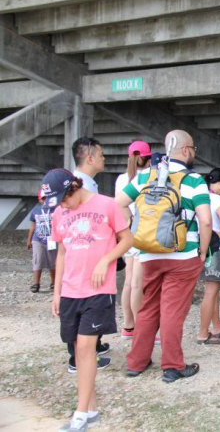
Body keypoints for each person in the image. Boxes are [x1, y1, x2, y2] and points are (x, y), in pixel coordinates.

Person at [116, 130, 212, 383]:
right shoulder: (193, 180)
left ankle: (136, 362)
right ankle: (172, 365)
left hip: (149, 253)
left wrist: (132, 225)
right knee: (173, 311)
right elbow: (205, 220)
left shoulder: (145, 176)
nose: (193, 153)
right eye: (192, 148)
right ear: (184, 150)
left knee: (148, 307)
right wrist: (202, 251)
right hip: (183, 255)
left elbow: (118, 203)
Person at [46, 169, 132, 432]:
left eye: (64, 198)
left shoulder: (107, 205)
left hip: (98, 289)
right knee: (79, 352)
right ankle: (91, 410)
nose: (62, 204)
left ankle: (80, 414)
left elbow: (127, 239)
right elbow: (61, 252)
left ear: (74, 186)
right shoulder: (59, 213)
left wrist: (106, 260)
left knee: (86, 349)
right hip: (70, 290)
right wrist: (57, 291)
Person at [68, 137, 109, 373]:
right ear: (90, 158)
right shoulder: (77, 186)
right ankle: (79, 358)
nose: (104, 158)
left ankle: (93, 345)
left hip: (90, 253)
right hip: (82, 255)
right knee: (82, 304)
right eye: (101, 154)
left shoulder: (88, 183)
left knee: (93, 303)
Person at [114, 141, 151, 341]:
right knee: (138, 284)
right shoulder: (146, 178)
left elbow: (118, 204)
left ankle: (128, 326)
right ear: (148, 158)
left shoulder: (121, 179)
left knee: (128, 282)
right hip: (142, 232)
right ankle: (141, 329)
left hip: (125, 233)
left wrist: (127, 221)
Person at [197, 168, 220, 344]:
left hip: (201, 245)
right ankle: (203, 333)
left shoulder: (199, 196)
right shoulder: (215, 198)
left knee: (213, 290)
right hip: (215, 247)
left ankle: (217, 326)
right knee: (211, 292)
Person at [27, 189, 56, 293]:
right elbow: (32, 225)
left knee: (53, 262)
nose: (45, 200)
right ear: (39, 199)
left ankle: (54, 283)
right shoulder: (36, 211)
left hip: (52, 239)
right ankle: (36, 283)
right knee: (37, 261)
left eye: (47, 198)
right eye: (43, 198)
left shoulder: (55, 210)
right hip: (38, 239)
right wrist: (29, 240)